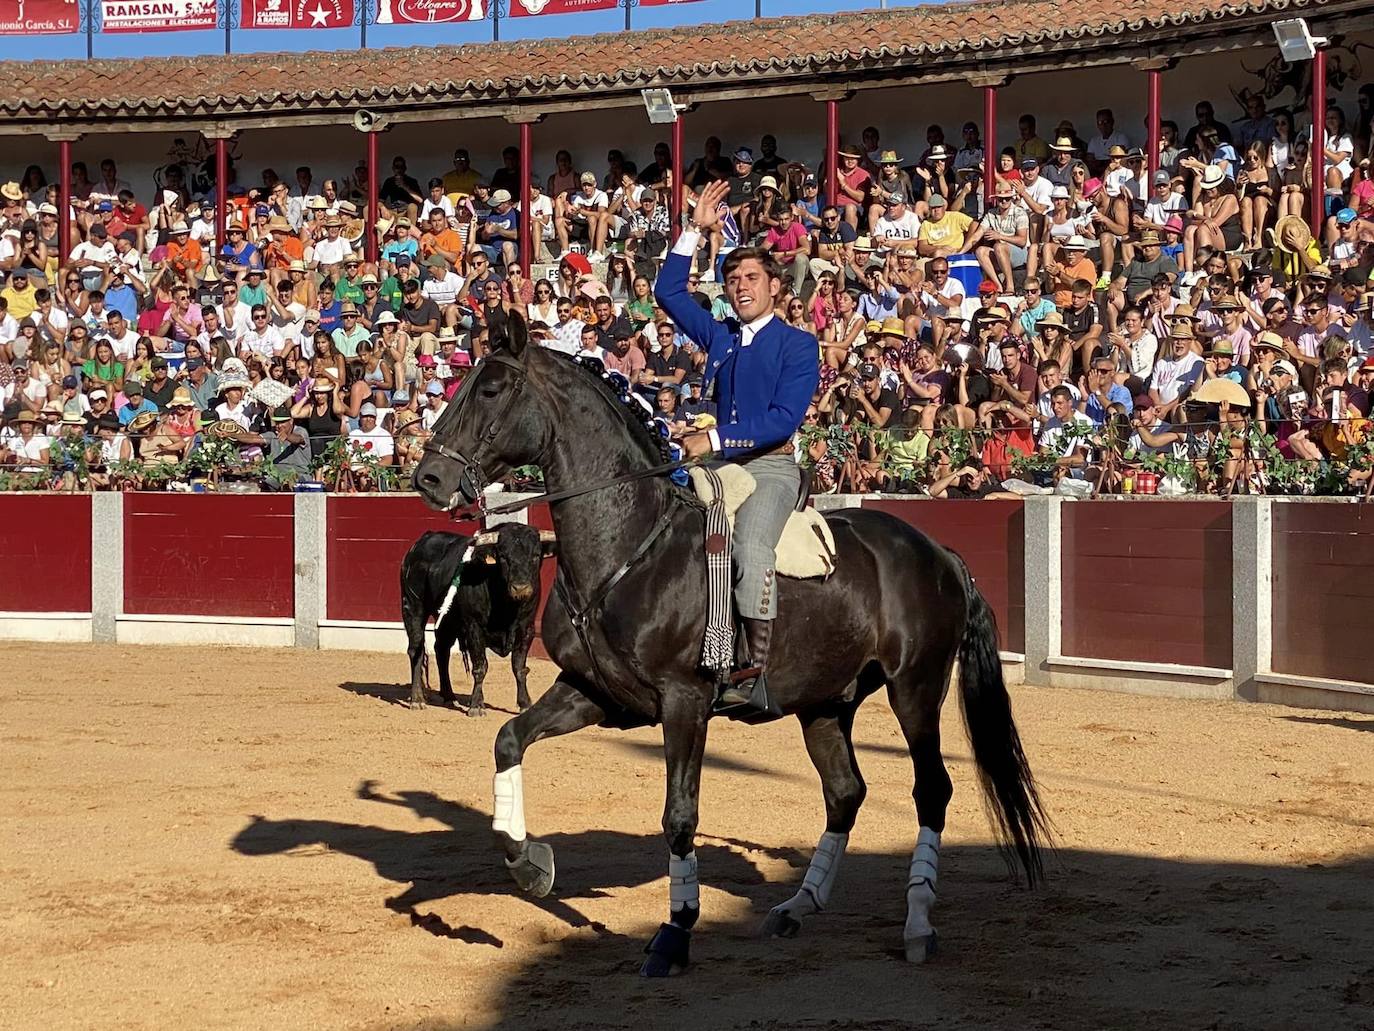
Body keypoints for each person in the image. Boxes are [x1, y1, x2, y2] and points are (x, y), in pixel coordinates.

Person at [655, 178, 819, 710]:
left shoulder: (798, 344)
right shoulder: (721, 335)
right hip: (719, 465)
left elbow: (781, 420)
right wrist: (692, 231)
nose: (741, 286)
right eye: (732, 279)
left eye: (752, 277)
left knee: (748, 547)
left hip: (770, 468)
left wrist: (713, 436)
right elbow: (668, 294)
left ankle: (753, 672)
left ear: (775, 286)